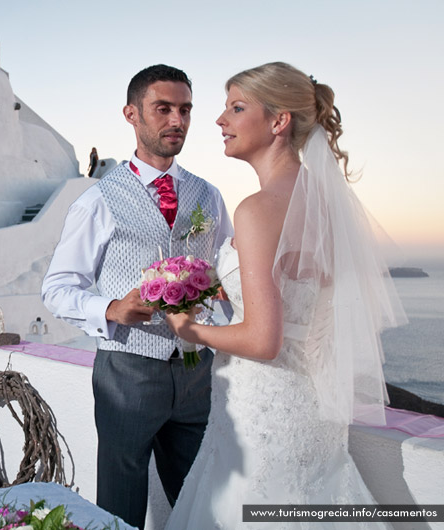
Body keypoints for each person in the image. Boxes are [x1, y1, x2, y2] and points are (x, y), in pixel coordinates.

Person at [164, 62, 406, 529]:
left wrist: (186, 325)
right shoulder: (325, 204)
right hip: (313, 416)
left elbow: (263, 340)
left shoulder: (256, 210)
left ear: (279, 122)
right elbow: (305, 310)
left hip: (263, 419)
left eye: (236, 107)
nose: (220, 121)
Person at [41, 64, 233, 529]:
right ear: (131, 114)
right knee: (119, 505)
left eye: (185, 109)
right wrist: (109, 309)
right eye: (163, 108)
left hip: (196, 371)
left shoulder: (209, 196)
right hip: (127, 370)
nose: (177, 121)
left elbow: (228, 281)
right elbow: (57, 288)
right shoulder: (97, 200)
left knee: (200, 499)